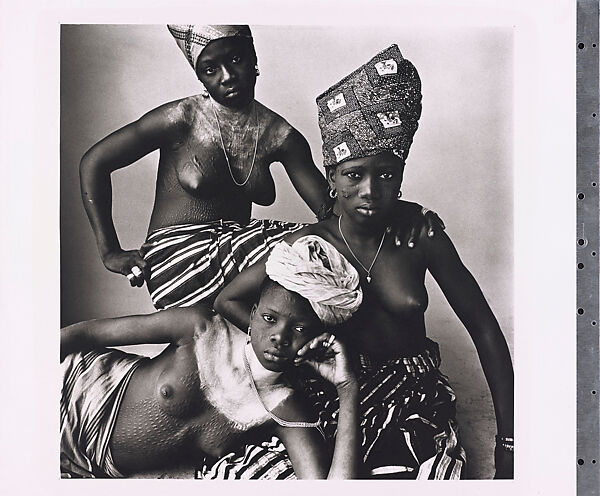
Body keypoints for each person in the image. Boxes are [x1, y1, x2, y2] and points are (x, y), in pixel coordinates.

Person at [215, 44, 514, 479]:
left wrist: (508, 441)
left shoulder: (420, 235)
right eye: (354, 174)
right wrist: (298, 350)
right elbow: (228, 300)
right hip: (339, 392)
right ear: (331, 177)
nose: (371, 190)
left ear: (401, 177)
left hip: (415, 394)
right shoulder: (310, 245)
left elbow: (484, 329)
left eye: (387, 174)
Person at [79, 24, 442, 309]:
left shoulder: (280, 135)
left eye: (235, 60)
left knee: (321, 245)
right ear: (201, 77)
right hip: (177, 259)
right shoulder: (181, 118)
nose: (226, 76)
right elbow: (95, 162)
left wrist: (402, 210)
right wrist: (110, 251)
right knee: (300, 248)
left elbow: (330, 211)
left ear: (253, 59)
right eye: (210, 69)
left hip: (238, 258)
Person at [60, 235, 362, 479]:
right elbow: (88, 334)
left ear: (318, 337)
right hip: (68, 390)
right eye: (270, 318)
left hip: (86, 466)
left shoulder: (287, 410)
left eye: (299, 328)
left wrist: (348, 388)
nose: (280, 337)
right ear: (254, 313)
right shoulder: (201, 328)